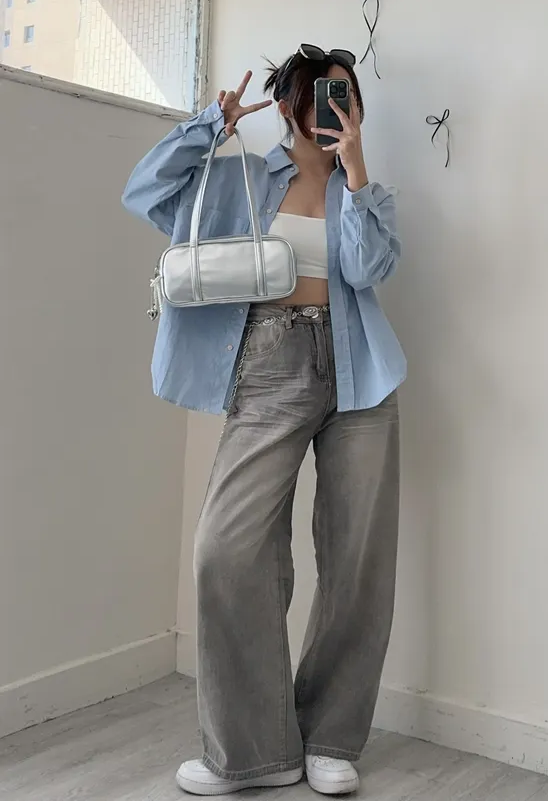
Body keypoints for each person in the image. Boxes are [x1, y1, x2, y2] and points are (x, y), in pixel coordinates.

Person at [122, 47, 407, 797]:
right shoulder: (239, 175)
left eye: (346, 96)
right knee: (228, 551)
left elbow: (368, 271)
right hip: (268, 368)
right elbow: (144, 193)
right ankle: (255, 751)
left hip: (361, 375)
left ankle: (331, 737)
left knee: (357, 561)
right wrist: (206, 127)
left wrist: (356, 171)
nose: (336, 109)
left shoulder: (363, 190)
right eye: (321, 96)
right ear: (288, 106)